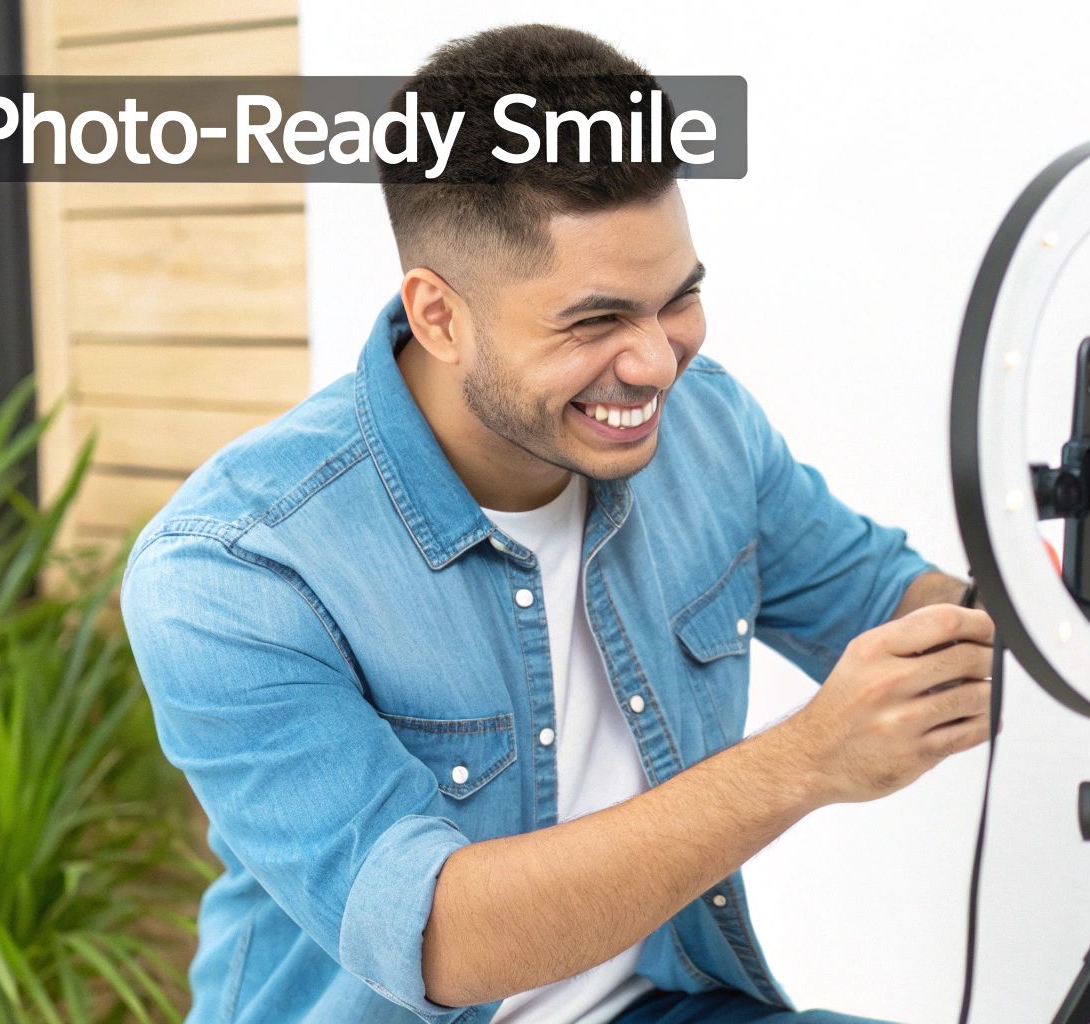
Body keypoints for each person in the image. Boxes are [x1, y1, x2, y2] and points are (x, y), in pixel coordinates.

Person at [119, 22, 993, 1024]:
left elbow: (882, 598)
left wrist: (1024, 601)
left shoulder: (706, 428)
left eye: (679, 299)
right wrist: (804, 761)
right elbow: (437, 938)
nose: (657, 362)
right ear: (439, 315)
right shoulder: (234, 569)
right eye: (595, 321)